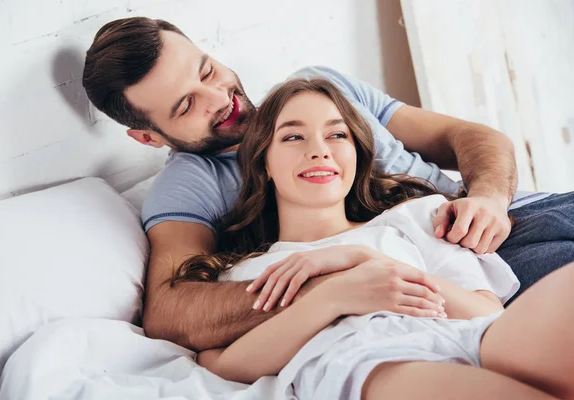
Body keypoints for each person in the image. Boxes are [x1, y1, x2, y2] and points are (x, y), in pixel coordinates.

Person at [81, 17, 574, 351]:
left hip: (513, 220)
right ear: (147, 137)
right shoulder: (192, 183)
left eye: (208, 71)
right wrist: (334, 286)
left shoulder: (316, 87)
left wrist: (486, 197)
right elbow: (170, 311)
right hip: (465, 272)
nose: (218, 97)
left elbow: (466, 136)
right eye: (186, 105)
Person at [178, 77, 571, 399]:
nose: (319, 151)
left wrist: (369, 264)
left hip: (474, 336)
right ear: (263, 161)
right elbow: (222, 365)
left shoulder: (415, 217)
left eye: (337, 135)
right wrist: (336, 296)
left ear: (357, 154)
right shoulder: (246, 271)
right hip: (379, 365)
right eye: (293, 138)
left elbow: (488, 313)